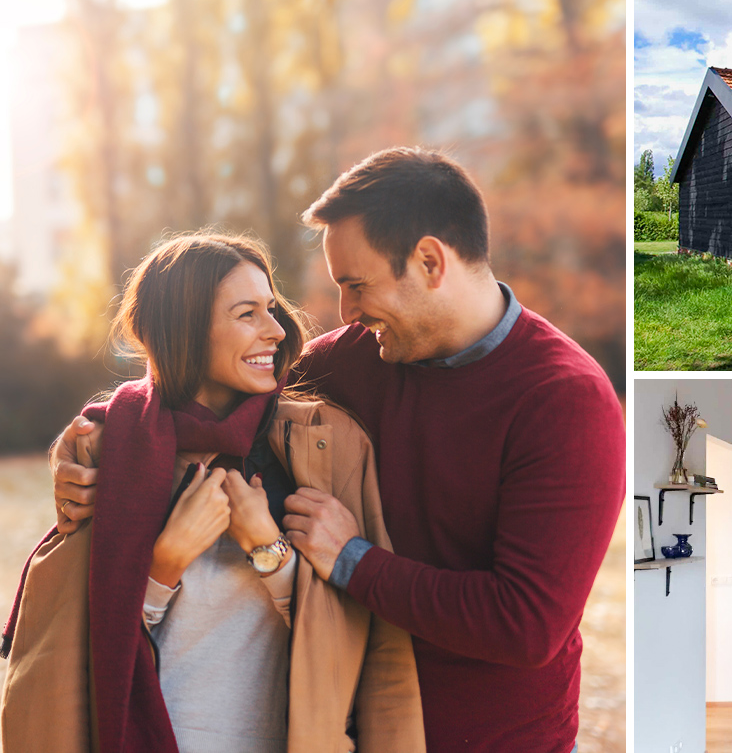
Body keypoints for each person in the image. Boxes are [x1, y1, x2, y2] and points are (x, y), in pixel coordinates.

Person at [50, 148, 625, 753]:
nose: (346, 313)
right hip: (356, 725)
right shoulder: (358, 357)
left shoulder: (564, 401)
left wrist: (351, 559)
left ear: (430, 261)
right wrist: (91, 439)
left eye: (357, 285)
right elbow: (206, 385)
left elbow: (525, 625)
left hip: (493, 738)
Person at [9, 234, 425, 753]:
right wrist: (164, 566)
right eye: (246, 313)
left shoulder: (328, 446)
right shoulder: (111, 449)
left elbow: (369, 645)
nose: (275, 330)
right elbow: (75, 652)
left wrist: (269, 551)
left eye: (271, 309)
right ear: (184, 332)